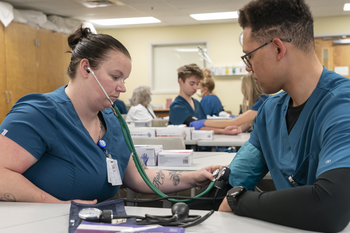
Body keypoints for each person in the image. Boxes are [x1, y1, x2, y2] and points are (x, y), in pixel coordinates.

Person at [0, 26, 221, 204]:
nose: (122, 88)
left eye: (124, 79)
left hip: (100, 221)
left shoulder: (110, 119)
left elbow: (138, 177)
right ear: (86, 68)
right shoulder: (40, 113)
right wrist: (58, 206)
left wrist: (193, 177)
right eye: (116, 77)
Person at [217, 0, 350, 232]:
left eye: (249, 56)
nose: (248, 68)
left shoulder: (342, 105)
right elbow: (231, 185)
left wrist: (241, 200)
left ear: (278, 48)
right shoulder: (270, 111)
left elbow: (331, 207)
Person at [168, 63, 238, 135]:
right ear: (180, 81)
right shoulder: (177, 106)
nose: (195, 87)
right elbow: (195, 127)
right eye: (192, 84)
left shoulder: (197, 103)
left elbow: (204, 124)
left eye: (197, 84)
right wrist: (222, 130)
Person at [189, 72, 268, 134]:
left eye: (243, 88)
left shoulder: (262, 102)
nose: (242, 92)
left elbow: (235, 122)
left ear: (249, 88)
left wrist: (203, 122)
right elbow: (241, 127)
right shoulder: (261, 101)